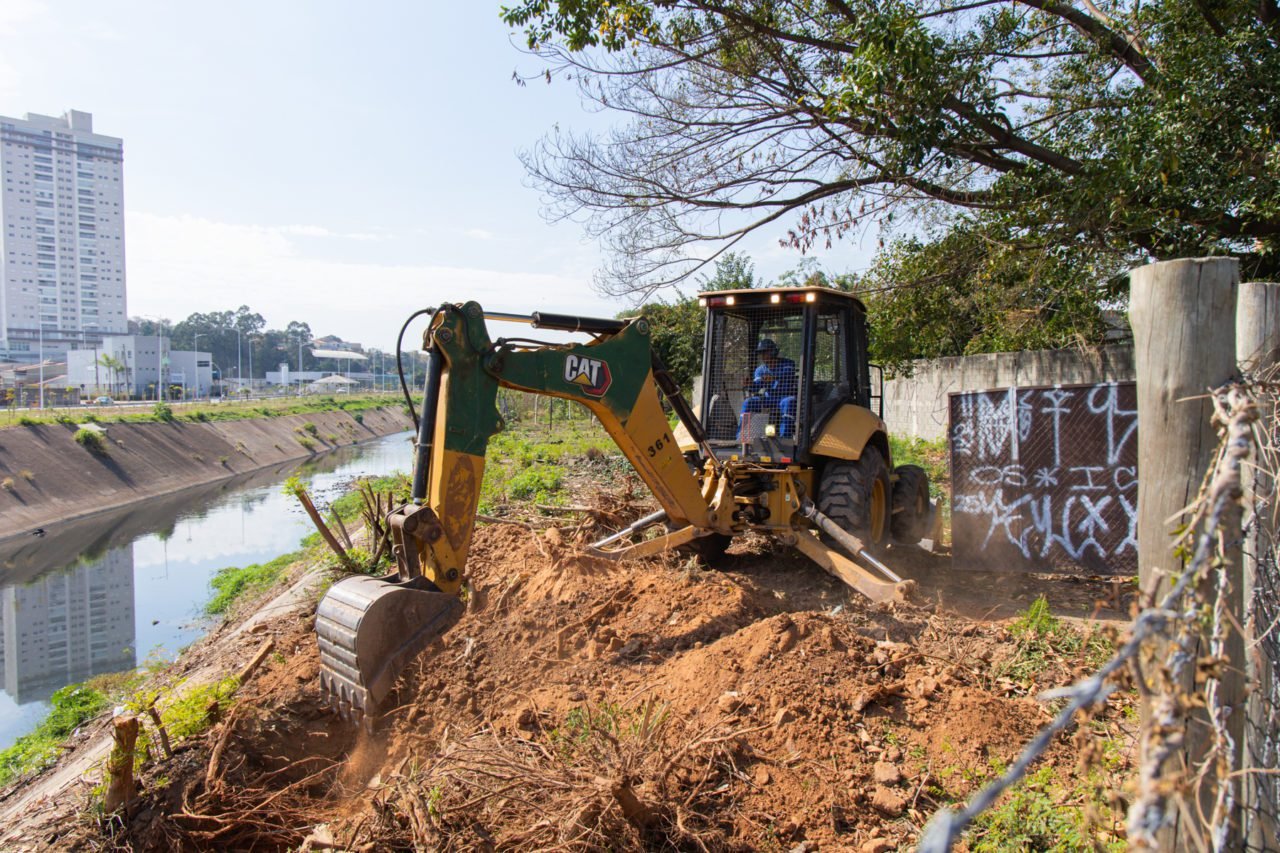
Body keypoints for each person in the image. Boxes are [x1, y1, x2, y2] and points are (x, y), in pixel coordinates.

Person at [740, 338, 797, 437]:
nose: (762, 356)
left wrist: (774, 377)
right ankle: (742, 438)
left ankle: (785, 438)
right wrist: (750, 385)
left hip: (785, 397)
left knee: (789, 402)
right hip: (769, 399)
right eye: (761, 353)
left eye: (765, 352)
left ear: (773, 352)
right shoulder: (760, 370)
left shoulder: (788, 363)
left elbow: (788, 373)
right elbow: (757, 386)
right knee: (748, 402)